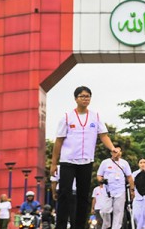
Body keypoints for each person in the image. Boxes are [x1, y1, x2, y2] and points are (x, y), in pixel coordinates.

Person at [50, 86, 117, 229]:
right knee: (64, 194)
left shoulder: (95, 116)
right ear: (76, 99)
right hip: (68, 161)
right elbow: (59, 141)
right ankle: (60, 226)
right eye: (82, 96)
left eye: (88, 96)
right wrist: (54, 163)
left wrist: (112, 148)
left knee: (83, 196)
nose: (85, 98)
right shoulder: (67, 117)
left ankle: (79, 226)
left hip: (86, 161)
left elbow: (103, 135)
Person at [97, 146, 135, 229]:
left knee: (118, 212)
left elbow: (129, 177)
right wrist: (102, 180)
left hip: (120, 190)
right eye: (115, 151)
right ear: (111, 153)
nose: (117, 153)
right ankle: (107, 224)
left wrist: (132, 190)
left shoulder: (124, 163)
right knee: (104, 210)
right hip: (108, 191)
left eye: (119, 151)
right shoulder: (105, 163)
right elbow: (99, 175)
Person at [132, 159, 145, 229]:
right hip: (137, 197)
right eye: (141, 163)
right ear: (138, 164)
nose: (142, 164)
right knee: (136, 215)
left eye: (144, 162)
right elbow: (131, 185)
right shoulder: (134, 174)